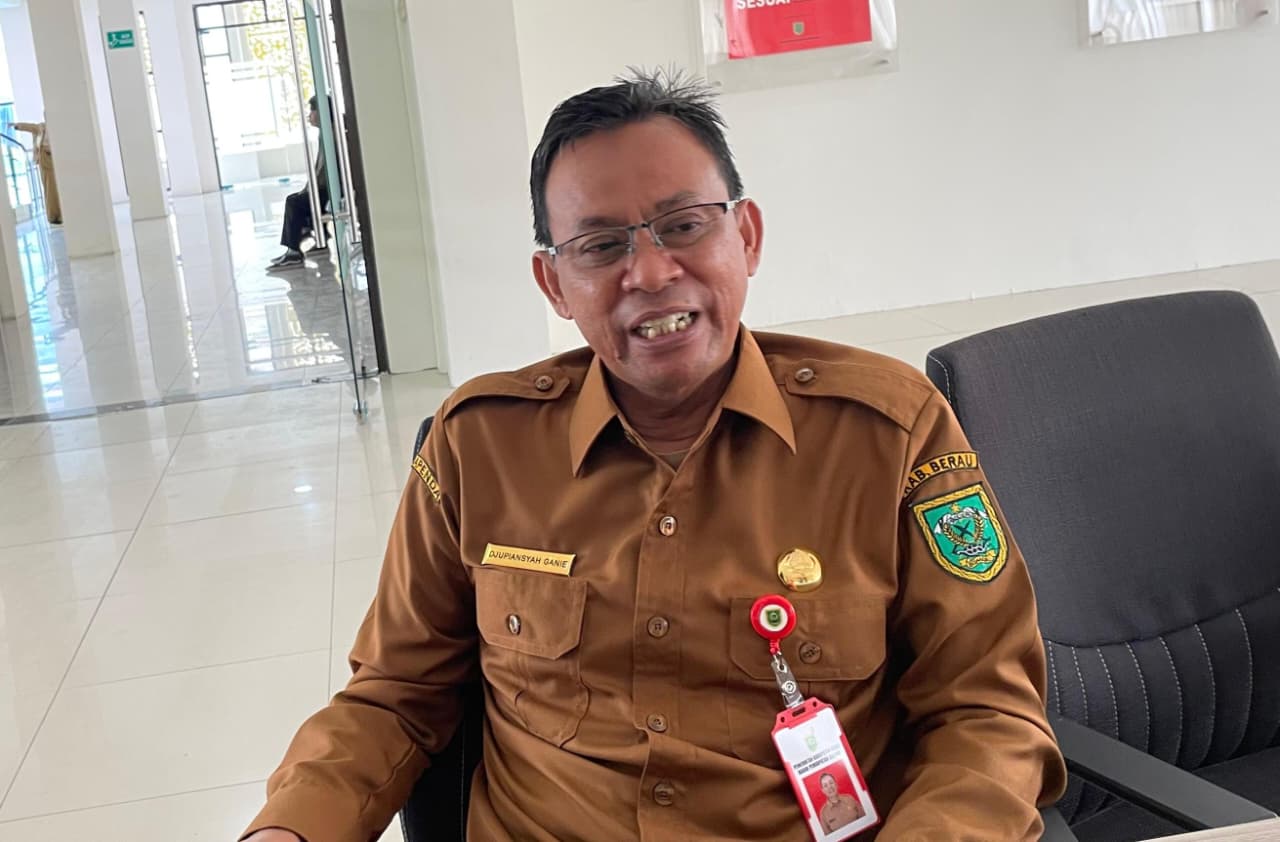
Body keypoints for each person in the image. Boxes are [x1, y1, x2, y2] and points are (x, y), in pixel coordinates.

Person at [242, 69, 1066, 842]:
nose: (650, 271)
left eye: (684, 225)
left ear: (746, 236)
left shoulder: (887, 434)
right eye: (601, 246)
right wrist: (290, 827)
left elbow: (986, 711)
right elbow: (395, 695)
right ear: (553, 284)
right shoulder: (480, 446)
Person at [268, 95, 333, 270]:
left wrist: (308, 190)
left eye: (312, 111)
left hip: (330, 190)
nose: (309, 116)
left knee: (294, 202)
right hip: (329, 189)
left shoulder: (329, 134)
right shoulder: (327, 132)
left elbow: (323, 171)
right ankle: (320, 237)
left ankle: (294, 252)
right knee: (301, 199)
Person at [11, 118, 62, 225]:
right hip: (46, 161)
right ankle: (54, 216)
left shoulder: (58, 128)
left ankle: (59, 214)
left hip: (56, 161)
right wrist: (16, 125)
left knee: (57, 189)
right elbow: (29, 127)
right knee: (50, 190)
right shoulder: (41, 127)